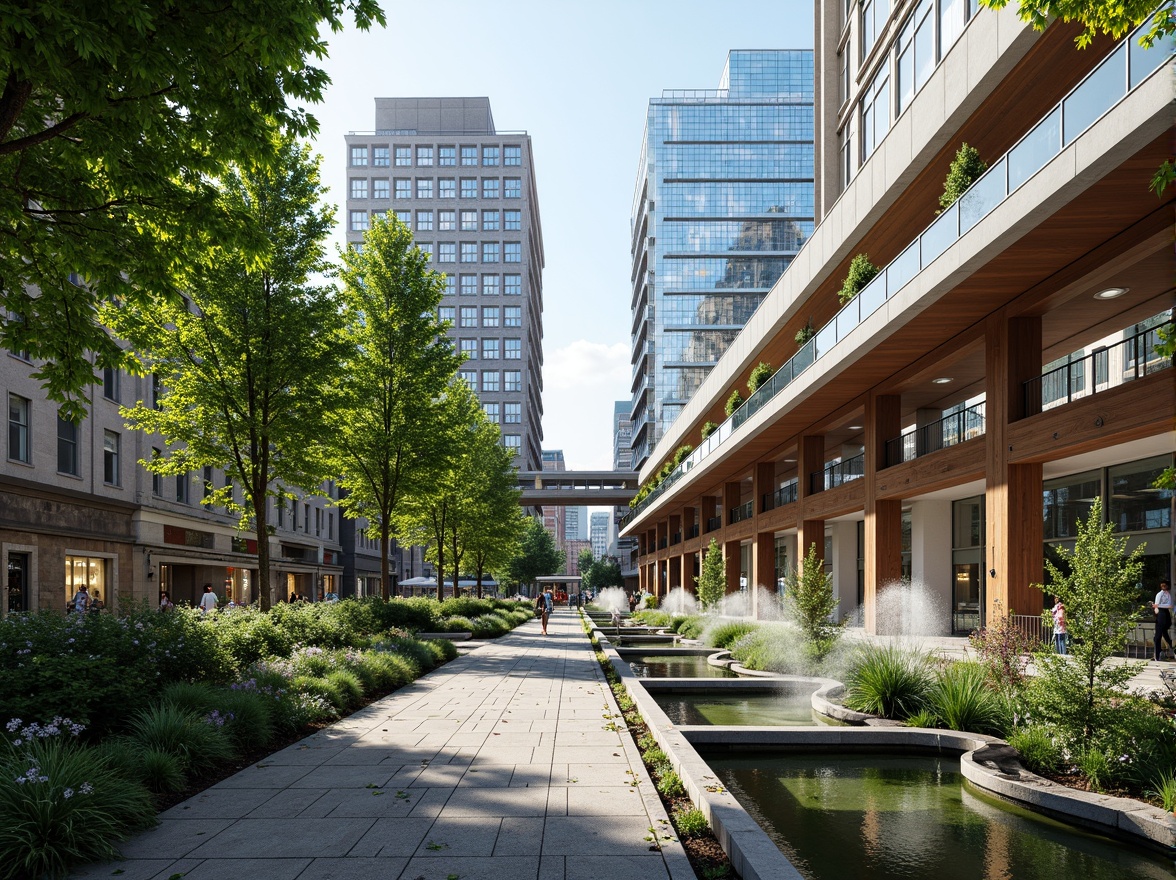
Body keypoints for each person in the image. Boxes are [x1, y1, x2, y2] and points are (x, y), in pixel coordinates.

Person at [1151, 578, 1173, 662]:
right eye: (1162, 585)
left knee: (1164, 632)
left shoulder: (1168, 594)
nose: (1163, 587)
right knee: (1159, 634)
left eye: (1165, 585)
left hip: (1166, 614)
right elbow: (1156, 605)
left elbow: (1170, 605)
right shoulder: (1159, 594)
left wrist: (1158, 606)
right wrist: (1157, 608)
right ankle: (1157, 654)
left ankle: (1169, 648)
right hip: (1161, 614)